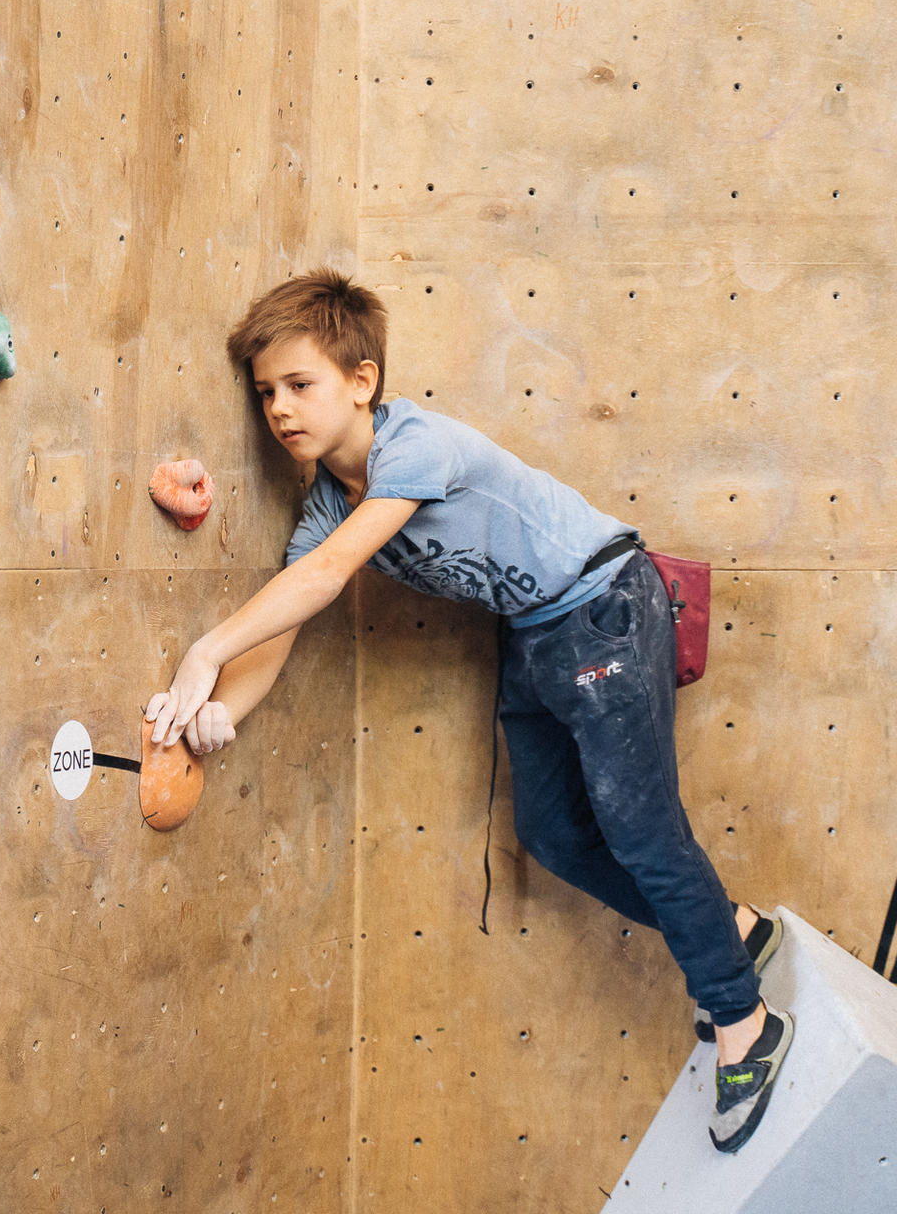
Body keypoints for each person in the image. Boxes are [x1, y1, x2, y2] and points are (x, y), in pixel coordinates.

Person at [143, 270, 794, 1153]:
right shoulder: (329, 503)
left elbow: (329, 575)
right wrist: (216, 713)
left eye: (300, 384)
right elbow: (285, 621)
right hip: (536, 634)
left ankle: (745, 1020)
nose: (280, 410)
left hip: (605, 603)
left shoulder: (415, 446)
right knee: (555, 836)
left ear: (362, 382)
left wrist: (203, 650)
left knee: (641, 830)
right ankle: (737, 934)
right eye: (265, 393)